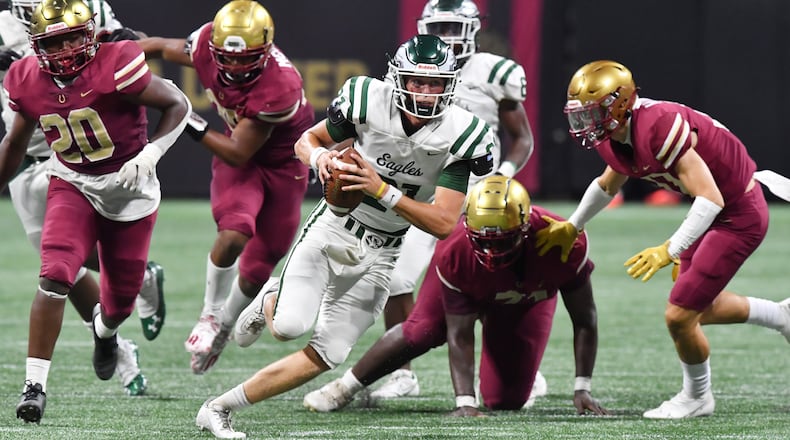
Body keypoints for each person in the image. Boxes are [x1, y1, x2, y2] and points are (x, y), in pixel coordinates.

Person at [193, 34, 497, 439]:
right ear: (397, 79)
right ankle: (270, 296)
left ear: (450, 85)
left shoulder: (462, 133)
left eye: (435, 84)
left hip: (385, 251)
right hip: (334, 226)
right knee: (287, 326)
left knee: (327, 355)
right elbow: (308, 140)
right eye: (417, 82)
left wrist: (380, 189)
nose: (425, 94)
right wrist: (321, 158)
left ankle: (218, 408)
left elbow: (442, 223)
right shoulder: (367, 99)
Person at [535, 60, 790, 419]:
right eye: (580, 115)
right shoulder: (617, 134)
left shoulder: (658, 125)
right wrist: (574, 225)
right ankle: (781, 316)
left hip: (737, 214)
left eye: (592, 113)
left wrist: (670, 249)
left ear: (620, 105)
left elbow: (712, 198)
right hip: (714, 210)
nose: (585, 124)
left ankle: (697, 396)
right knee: (698, 307)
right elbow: (609, 184)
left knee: (679, 315)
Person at [0, 0, 190, 423]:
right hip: (70, 179)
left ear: (90, 33)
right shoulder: (26, 76)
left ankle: (106, 336)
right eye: (53, 42)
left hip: (128, 188)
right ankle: (34, 387)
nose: (65, 50)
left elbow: (177, 102)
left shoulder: (114, 60)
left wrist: (152, 152)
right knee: (54, 273)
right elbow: (14, 144)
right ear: (35, 42)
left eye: (72, 38)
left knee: (118, 304)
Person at [302, 176, 609, 416]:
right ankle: (345, 387)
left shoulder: (561, 242)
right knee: (423, 330)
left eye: (502, 242)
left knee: (505, 401)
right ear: (468, 227)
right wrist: (464, 401)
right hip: (470, 281)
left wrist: (583, 388)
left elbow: (585, 319)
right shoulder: (457, 247)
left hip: (523, 296)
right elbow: (459, 334)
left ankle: (518, 367)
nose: (492, 251)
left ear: (525, 227)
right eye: (483, 241)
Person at [361, 0, 537, 400]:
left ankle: (519, 367)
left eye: (454, 28)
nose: (446, 37)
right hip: (427, 187)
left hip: (478, 192)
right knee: (397, 278)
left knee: (498, 284)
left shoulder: (493, 72)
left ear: (474, 29)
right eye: (438, 28)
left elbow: (522, 137)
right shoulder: (413, 67)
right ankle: (402, 373)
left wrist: (502, 176)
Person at [136, 0, 315, 375]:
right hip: (245, 160)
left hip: (283, 164)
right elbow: (157, 46)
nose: (233, 67)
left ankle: (224, 326)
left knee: (261, 263)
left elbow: (237, 152)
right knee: (234, 233)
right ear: (214, 47)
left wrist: (187, 117)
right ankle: (209, 316)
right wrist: (119, 54)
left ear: (265, 51)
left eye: (244, 59)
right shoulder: (203, 44)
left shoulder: (280, 85)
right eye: (226, 58)